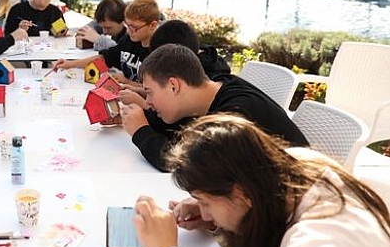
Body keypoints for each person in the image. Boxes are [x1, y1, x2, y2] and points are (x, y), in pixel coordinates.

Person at [134, 114, 390, 247]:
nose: (204, 212)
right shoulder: (295, 163)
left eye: (206, 202)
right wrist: (219, 218)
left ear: (241, 193)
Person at [120, 44, 308, 172]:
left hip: (298, 210)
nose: (149, 101)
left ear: (173, 86)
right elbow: (178, 132)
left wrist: (141, 131)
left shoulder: (233, 116)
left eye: (149, 92)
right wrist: (142, 117)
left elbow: (181, 161)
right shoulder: (216, 90)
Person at [117, 19, 230, 108]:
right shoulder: (200, 56)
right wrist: (141, 91)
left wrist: (143, 104)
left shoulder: (197, 77)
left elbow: (179, 115)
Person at [54, 0, 159, 83]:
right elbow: (104, 58)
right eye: (128, 25)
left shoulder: (158, 53)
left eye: (134, 27)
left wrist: (127, 82)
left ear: (152, 25)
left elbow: (157, 91)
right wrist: (70, 64)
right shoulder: (128, 41)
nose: (128, 31)